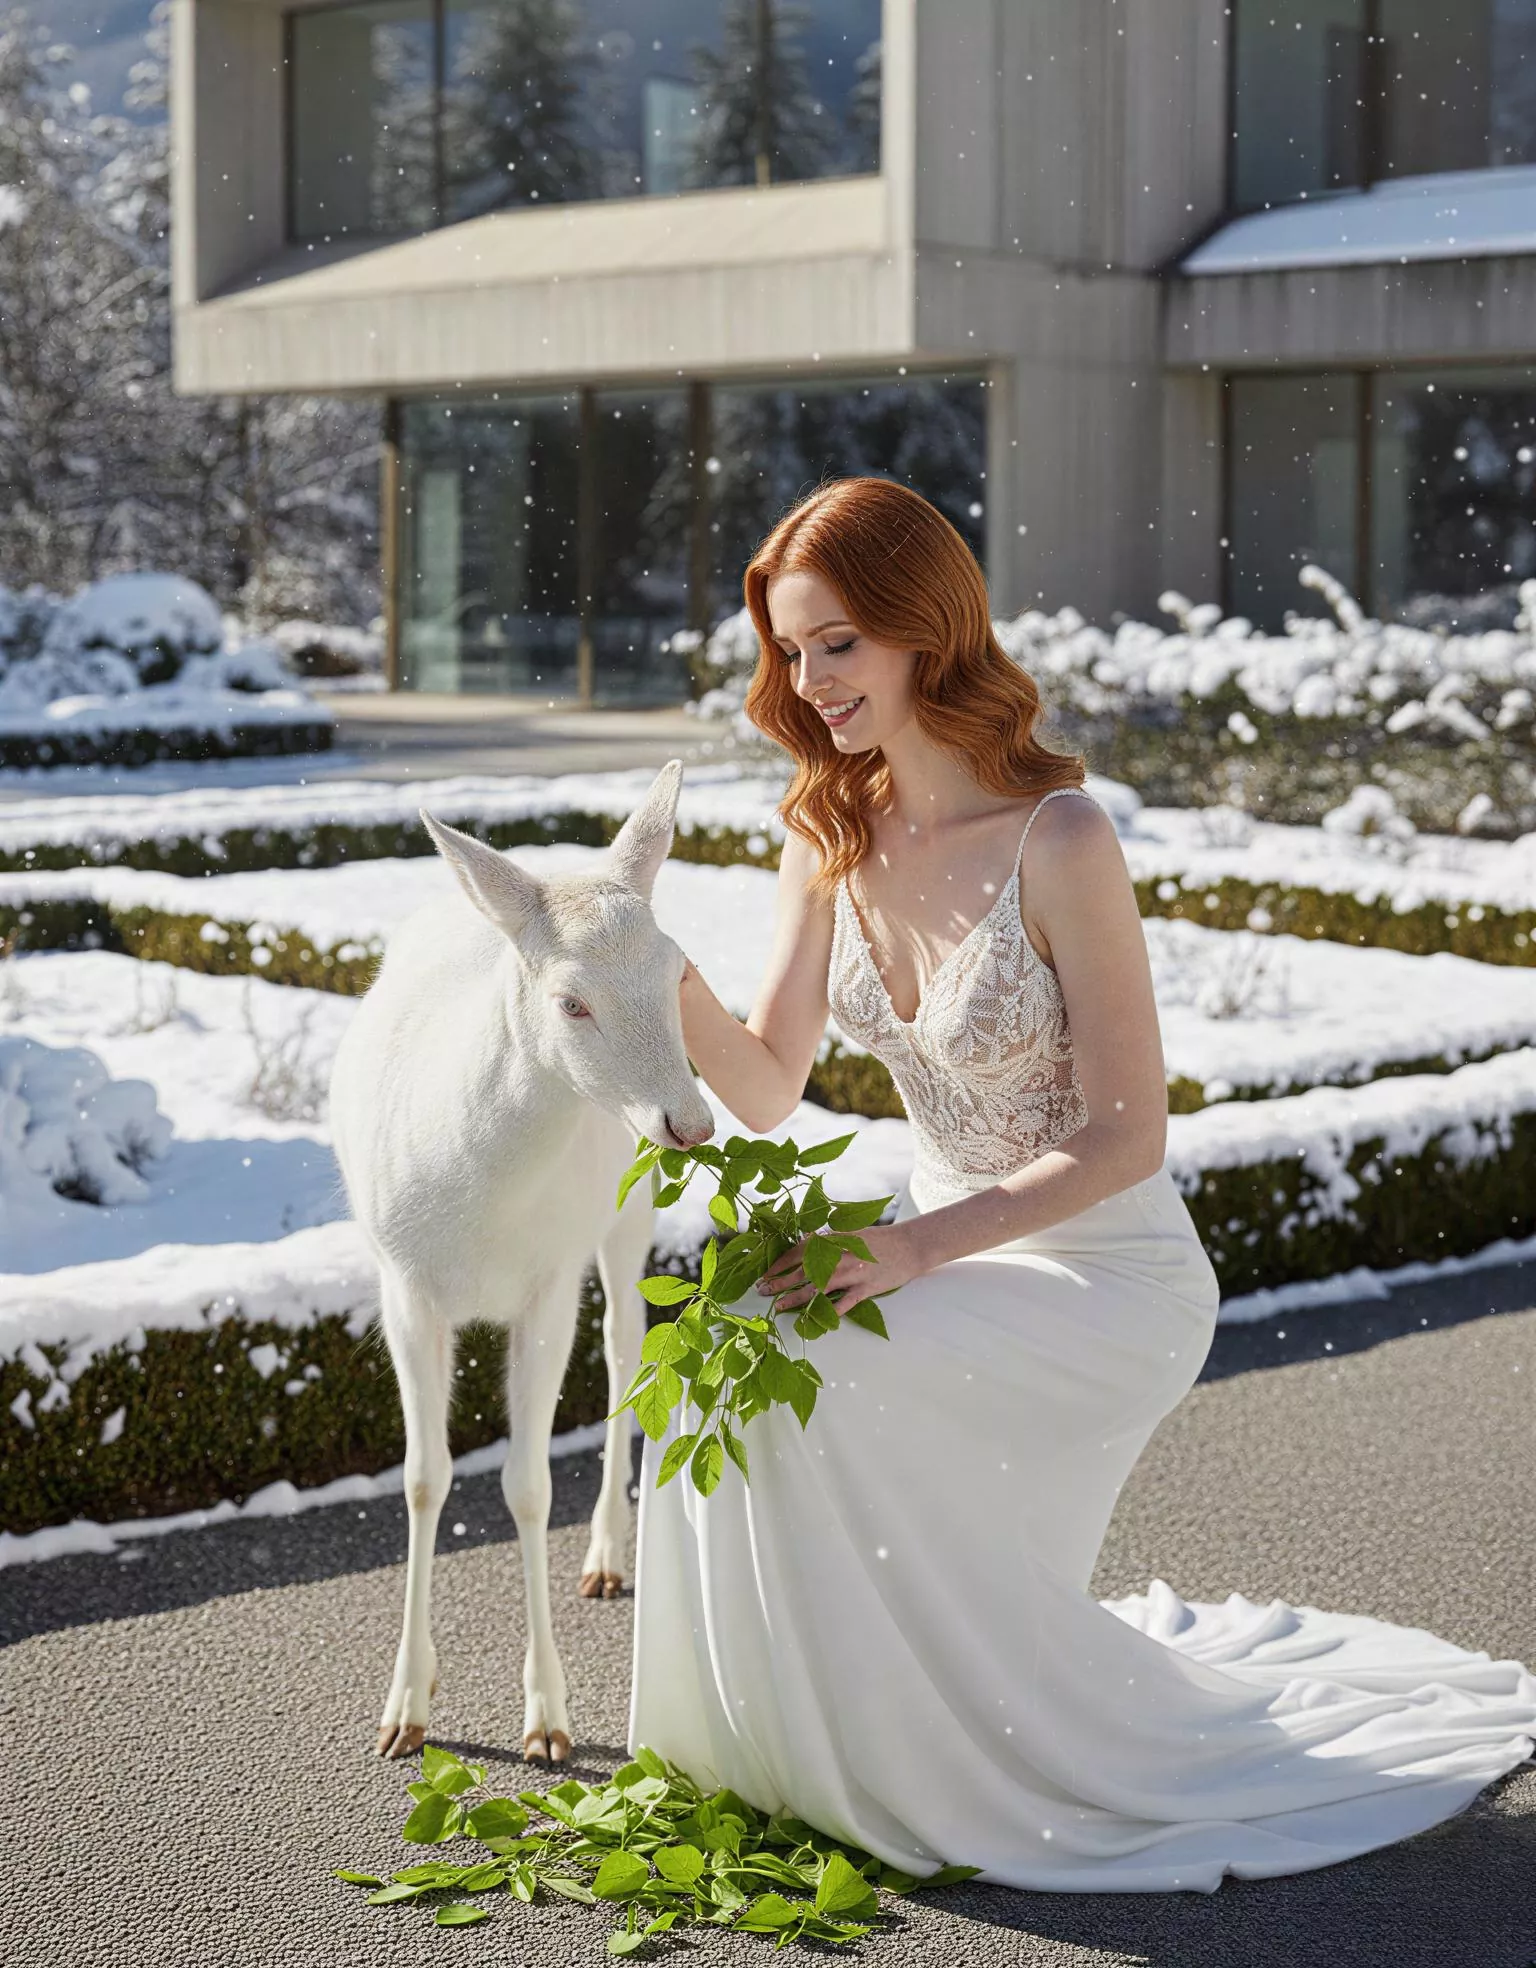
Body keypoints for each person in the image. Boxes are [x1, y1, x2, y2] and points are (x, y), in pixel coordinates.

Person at [627, 477, 1536, 1890]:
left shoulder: (1063, 837)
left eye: (840, 644)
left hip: (1109, 1277)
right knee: (714, 1366)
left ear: (926, 629)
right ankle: (788, 1755)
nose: (809, 684)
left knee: (826, 1380)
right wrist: (636, 964)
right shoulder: (827, 836)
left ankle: (933, 1764)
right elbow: (761, 1082)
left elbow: (1128, 1135)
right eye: (793, 652)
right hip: (941, 1253)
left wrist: (918, 1248)